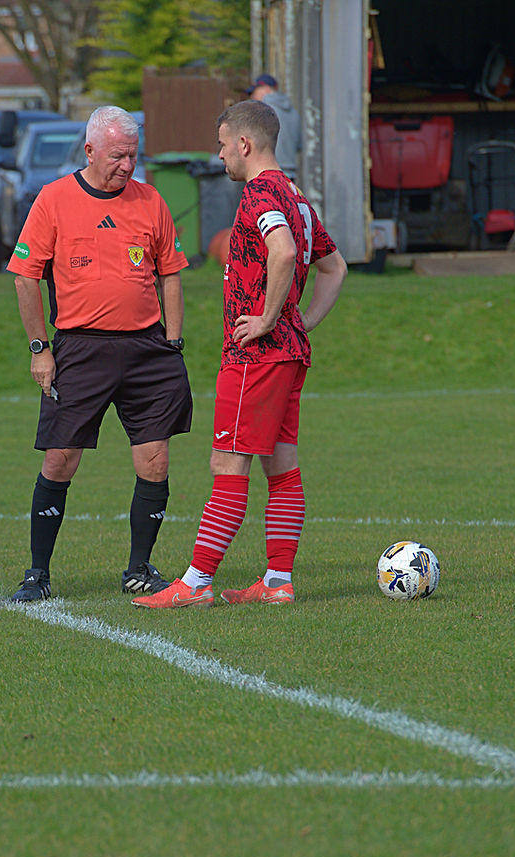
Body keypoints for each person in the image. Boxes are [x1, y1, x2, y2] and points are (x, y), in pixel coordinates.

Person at [134, 100, 347, 610]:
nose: (221, 154)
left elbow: (285, 252)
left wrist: (272, 318)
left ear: (245, 145)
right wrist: (301, 321)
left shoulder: (261, 193)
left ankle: (196, 583)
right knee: (282, 465)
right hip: (289, 354)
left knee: (228, 463)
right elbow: (335, 267)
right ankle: (277, 582)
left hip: (256, 356)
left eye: (224, 144)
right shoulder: (296, 197)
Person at [7, 105, 193, 603]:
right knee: (60, 459)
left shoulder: (151, 200)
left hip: (148, 350)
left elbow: (170, 273)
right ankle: (37, 573)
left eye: (132, 156)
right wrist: (39, 349)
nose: (126, 165)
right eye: (116, 156)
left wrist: (172, 343)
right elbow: (25, 275)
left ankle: (138, 568)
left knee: (154, 459)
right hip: (81, 348)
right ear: (89, 151)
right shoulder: (53, 199)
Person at [247, 74, 302, 182]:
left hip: (269, 174)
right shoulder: (293, 111)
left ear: (266, 89)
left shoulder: (263, 110)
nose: (252, 97)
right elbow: (299, 144)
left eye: (254, 92)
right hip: (290, 175)